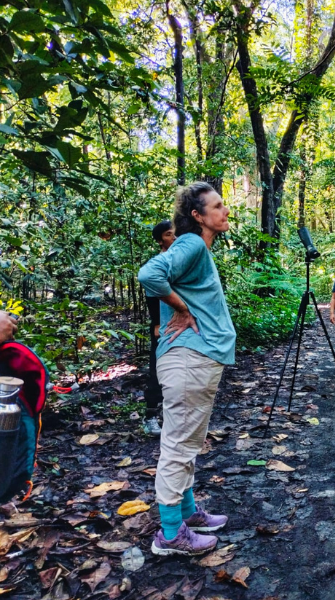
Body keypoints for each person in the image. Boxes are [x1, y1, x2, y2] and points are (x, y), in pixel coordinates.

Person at [138, 182, 237, 557]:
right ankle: (169, 534)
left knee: (187, 441)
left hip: (196, 359)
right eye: (217, 206)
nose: (225, 210)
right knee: (178, 445)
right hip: (188, 359)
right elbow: (150, 275)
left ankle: (187, 512)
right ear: (197, 216)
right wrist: (180, 308)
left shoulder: (198, 249)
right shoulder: (192, 243)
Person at [142, 220, 176, 436]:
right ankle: (150, 417)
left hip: (185, 323)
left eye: (175, 234)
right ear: (159, 240)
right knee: (157, 370)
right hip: (162, 324)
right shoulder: (156, 263)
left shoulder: (182, 261)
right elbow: (151, 294)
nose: (173, 238)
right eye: (168, 234)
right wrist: (156, 323)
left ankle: (175, 418)